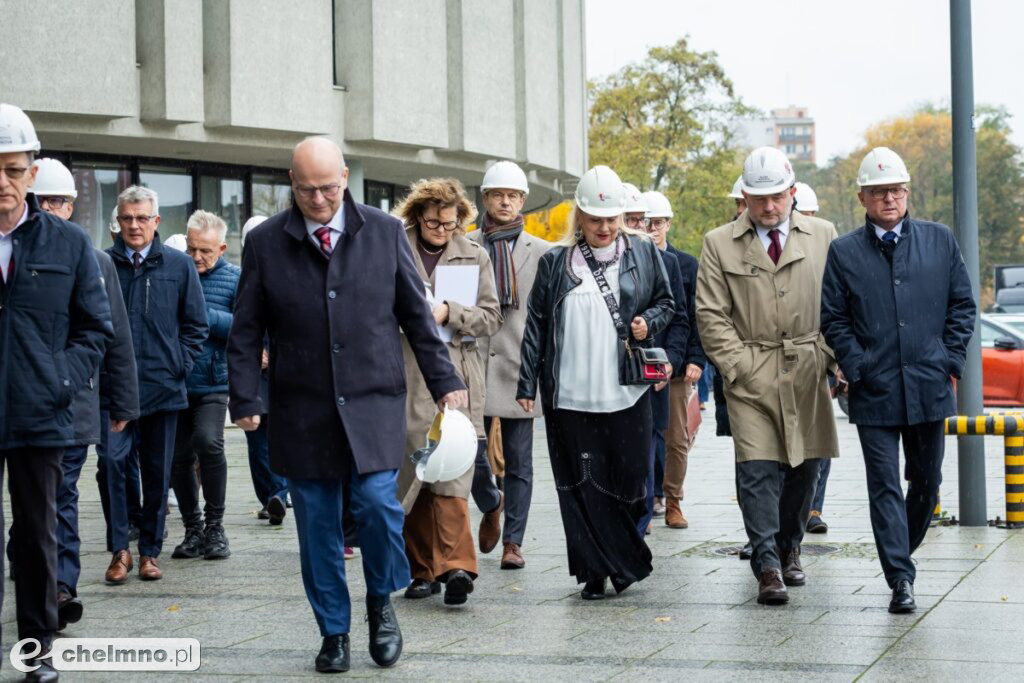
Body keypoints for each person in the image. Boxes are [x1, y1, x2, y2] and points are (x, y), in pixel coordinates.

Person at [227, 136, 466, 673]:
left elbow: (415, 314)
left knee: (379, 506)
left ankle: (381, 604)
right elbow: (245, 330)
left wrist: (444, 379)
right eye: (308, 190)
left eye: (329, 188)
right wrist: (244, 396)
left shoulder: (383, 232)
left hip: (374, 401)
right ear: (292, 184)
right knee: (317, 528)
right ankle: (333, 631)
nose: (319, 200)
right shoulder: (266, 242)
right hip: (302, 408)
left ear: (344, 179)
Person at [821, 147, 975, 613]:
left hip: (929, 385)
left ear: (907, 193)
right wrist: (857, 362)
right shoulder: (844, 251)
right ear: (863, 197)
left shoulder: (939, 240)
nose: (890, 198)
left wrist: (948, 359)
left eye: (896, 190)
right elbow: (833, 316)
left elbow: (962, 306)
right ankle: (900, 578)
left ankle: (900, 550)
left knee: (926, 482)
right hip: (875, 390)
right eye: (879, 192)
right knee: (883, 484)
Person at [517, 165, 675, 600]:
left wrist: (648, 323)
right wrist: (526, 384)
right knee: (582, 483)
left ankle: (622, 556)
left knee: (631, 479)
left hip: (625, 390)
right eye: (594, 219)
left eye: (611, 219)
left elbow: (668, 302)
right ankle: (594, 570)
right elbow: (536, 325)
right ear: (580, 219)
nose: (604, 228)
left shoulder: (643, 253)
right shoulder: (555, 262)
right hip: (570, 394)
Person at [0, 103, 113, 682]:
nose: (3, 181)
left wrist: (59, 379)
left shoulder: (67, 243)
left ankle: (36, 651)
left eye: (14, 169)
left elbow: (95, 328)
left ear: (31, 173)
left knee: (38, 534)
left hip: (41, 413)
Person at [696, 147, 839, 606]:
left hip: (808, 364)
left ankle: (790, 545)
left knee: (805, 466)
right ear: (745, 197)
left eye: (777, 196)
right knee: (756, 468)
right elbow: (711, 315)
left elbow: (841, 304)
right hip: (750, 369)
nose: (769, 207)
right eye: (759, 199)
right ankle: (767, 562)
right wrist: (736, 367)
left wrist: (832, 361)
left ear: (792, 192)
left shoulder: (823, 236)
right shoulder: (719, 243)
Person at [29, 158, 139, 633]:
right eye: (45, 201)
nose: (53, 210)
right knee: (34, 501)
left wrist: (124, 404)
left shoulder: (94, 262)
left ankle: (60, 586)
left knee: (61, 495)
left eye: (61, 201)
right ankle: (35, 568)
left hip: (73, 403)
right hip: (20, 402)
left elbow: (113, 336)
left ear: (73, 207)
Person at [393, 177, 501, 606]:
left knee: (453, 469)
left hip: (456, 370)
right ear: (417, 216)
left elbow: (492, 315)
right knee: (417, 472)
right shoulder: (393, 246)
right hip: (405, 371)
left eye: (450, 223)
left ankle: (457, 566)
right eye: (433, 222)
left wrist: (450, 312)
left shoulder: (474, 255)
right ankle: (421, 571)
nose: (441, 230)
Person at [104, 185, 208, 584]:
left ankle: (149, 552)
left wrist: (178, 365)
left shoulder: (178, 265)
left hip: (163, 389)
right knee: (113, 465)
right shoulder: (103, 263)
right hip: (115, 391)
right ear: (119, 221)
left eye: (141, 218)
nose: (134, 226)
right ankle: (120, 551)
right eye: (127, 218)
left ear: (156, 221)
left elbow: (196, 324)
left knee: (156, 473)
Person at [467, 160, 551, 569]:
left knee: (520, 460)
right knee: (469, 452)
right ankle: (490, 500)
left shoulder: (544, 252)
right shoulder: (463, 245)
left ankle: (513, 542)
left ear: (523, 202)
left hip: (521, 365)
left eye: (512, 196)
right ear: (484, 198)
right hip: (472, 364)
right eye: (498, 194)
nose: (505, 201)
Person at [169, 211, 240, 560]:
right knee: (178, 456)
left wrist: (201, 313)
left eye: (205, 252)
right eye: (192, 249)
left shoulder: (235, 279)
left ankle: (216, 527)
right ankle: (192, 528)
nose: (197, 257)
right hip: (175, 380)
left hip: (213, 380)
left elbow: (242, 326)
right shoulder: (175, 273)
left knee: (208, 441)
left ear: (222, 248)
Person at [624, 187, 689, 537]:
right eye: (632, 219)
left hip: (654, 372)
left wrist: (673, 362)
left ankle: (644, 517)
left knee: (652, 444)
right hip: (609, 375)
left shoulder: (668, 262)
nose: (639, 226)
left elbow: (680, 317)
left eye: (642, 220)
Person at [643, 190, 705, 529]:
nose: (652, 228)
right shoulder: (631, 260)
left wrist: (695, 357)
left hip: (676, 363)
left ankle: (673, 500)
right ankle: (648, 497)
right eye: (646, 221)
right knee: (642, 436)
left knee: (676, 437)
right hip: (639, 364)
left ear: (668, 223)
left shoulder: (686, 264)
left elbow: (694, 314)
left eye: (658, 222)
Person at [239, 215, 291, 524]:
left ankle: (279, 493)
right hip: (255, 371)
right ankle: (271, 496)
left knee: (281, 434)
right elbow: (240, 320)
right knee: (257, 438)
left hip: (285, 368)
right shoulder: (240, 277)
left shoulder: (290, 272)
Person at [793, 181, 831, 534]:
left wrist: (830, 355)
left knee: (818, 437)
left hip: (817, 354)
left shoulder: (826, 243)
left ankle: (814, 507)